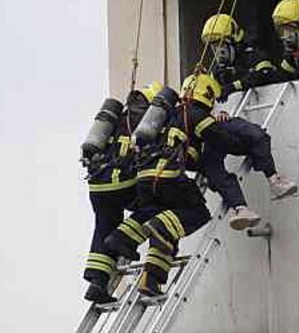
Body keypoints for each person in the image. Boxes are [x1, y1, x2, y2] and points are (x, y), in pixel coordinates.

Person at [104, 73, 243, 297]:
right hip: (167, 175)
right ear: (207, 95)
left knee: (158, 221)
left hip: (144, 177)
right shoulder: (194, 113)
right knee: (196, 213)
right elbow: (219, 138)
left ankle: (144, 270)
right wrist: (243, 143)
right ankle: (157, 228)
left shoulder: (162, 118)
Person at [80, 82, 163, 304]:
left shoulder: (115, 120)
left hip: (97, 186)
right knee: (155, 206)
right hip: (124, 183)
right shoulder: (148, 121)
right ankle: (123, 239)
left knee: (103, 227)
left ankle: (97, 283)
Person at [200, 110, 298, 230]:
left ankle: (274, 182)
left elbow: (222, 93)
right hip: (206, 138)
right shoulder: (179, 114)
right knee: (215, 172)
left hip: (221, 125)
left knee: (258, 136)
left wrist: (222, 111)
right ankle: (241, 209)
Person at [201, 14, 278, 102]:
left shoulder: (252, 56)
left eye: (222, 45)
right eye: (214, 47)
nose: (218, 51)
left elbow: (264, 73)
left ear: (234, 42)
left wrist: (233, 87)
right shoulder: (217, 72)